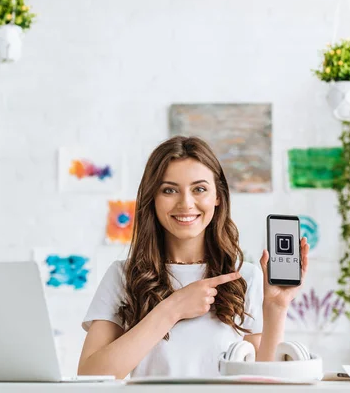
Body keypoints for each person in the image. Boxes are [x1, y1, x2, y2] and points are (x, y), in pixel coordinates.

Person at [77, 135, 309, 379]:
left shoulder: (245, 276)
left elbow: (264, 382)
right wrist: (172, 308)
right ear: (152, 198)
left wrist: (276, 307)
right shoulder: (123, 276)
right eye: (169, 190)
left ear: (217, 196)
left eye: (199, 189)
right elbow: (90, 376)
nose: (186, 203)